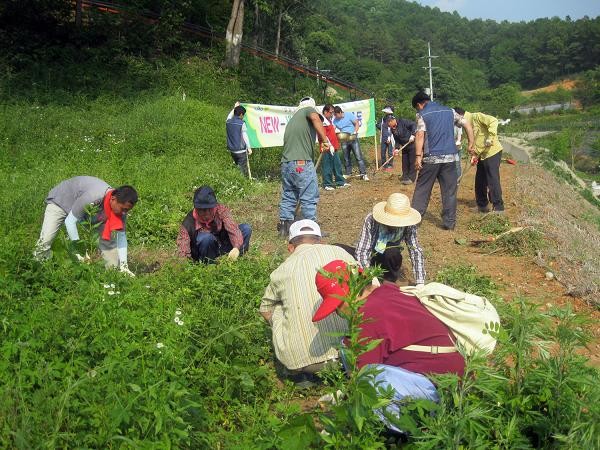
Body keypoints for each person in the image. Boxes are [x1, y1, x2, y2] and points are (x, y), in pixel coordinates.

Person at [313, 260, 465, 429]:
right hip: (454, 380)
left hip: (437, 390)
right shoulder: (387, 292)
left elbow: (362, 378)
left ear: (350, 294)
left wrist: (343, 403)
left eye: (337, 305)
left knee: (369, 380)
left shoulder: (367, 315)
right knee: (348, 346)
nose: (337, 312)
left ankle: (411, 429)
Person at [259, 219, 357, 386]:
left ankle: (299, 369)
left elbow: (264, 310)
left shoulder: (280, 271)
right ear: (320, 241)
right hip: (353, 353)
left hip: (307, 364)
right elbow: (370, 286)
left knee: (276, 307)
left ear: (290, 247)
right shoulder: (340, 252)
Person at [34, 176, 138, 275]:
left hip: (88, 209)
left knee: (108, 243)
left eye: (127, 210)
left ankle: (112, 275)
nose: (125, 213)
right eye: (123, 209)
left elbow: (121, 236)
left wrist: (124, 266)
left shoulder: (121, 210)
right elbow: (70, 221)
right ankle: (39, 272)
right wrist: (81, 252)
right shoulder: (94, 196)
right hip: (62, 201)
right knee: (45, 240)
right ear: (113, 199)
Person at [410, 92, 474, 231]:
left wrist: (418, 156)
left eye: (417, 108)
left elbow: (420, 134)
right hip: (450, 157)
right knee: (449, 191)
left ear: (420, 104)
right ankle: (449, 223)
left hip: (431, 158)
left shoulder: (422, 114)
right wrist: (470, 144)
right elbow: (467, 125)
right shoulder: (450, 111)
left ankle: (414, 222)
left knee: (423, 189)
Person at [336, 193, 425, 285]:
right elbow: (362, 251)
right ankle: (370, 277)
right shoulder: (371, 220)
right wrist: (370, 276)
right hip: (370, 255)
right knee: (337, 247)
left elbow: (415, 251)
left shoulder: (409, 225)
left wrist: (420, 282)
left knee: (391, 251)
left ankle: (388, 281)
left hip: (388, 259)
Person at [277, 97, 330, 238]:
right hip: (301, 162)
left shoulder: (294, 118)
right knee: (309, 195)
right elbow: (315, 118)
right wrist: (325, 140)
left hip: (286, 163)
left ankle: (285, 227)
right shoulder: (309, 110)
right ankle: (311, 229)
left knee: (289, 194)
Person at [176, 185, 251, 263]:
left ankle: (236, 259)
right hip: (203, 252)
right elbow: (183, 250)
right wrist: (186, 265)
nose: (207, 213)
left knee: (246, 229)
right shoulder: (188, 223)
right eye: (203, 210)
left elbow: (233, 229)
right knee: (206, 238)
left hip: (222, 244)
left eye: (209, 209)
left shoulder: (221, 210)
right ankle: (209, 266)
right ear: (196, 208)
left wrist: (236, 248)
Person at [454, 107, 505, 213]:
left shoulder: (476, 116)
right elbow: (476, 140)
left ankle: (498, 208)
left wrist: (490, 138)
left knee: (492, 179)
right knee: (480, 180)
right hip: (481, 154)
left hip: (492, 152)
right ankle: (482, 206)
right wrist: (474, 155)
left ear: (460, 115)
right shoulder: (466, 125)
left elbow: (493, 121)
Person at [333, 105, 369, 181]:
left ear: (340, 112)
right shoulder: (335, 120)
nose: (335, 116)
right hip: (344, 140)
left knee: (359, 157)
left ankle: (363, 174)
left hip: (353, 138)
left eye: (336, 114)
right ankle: (348, 174)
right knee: (346, 158)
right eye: (334, 115)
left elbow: (356, 123)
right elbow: (333, 129)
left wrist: (355, 132)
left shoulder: (349, 115)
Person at [321, 104, 351, 191]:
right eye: (331, 112)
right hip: (327, 147)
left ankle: (340, 182)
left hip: (334, 147)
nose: (332, 114)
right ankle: (327, 183)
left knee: (337, 165)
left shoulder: (329, 121)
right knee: (327, 165)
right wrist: (329, 145)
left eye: (333, 112)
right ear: (325, 112)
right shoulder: (323, 122)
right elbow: (323, 135)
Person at [226, 102, 252, 177]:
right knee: (241, 170)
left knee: (237, 167)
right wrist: (249, 148)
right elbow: (245, 136)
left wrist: (234, 108)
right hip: (241, 151)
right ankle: (240, 183)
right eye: (243, 115)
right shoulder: (241, 123)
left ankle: (236, 180)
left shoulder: (228, 122)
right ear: (241, 114)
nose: (243, 117)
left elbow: (229, 116)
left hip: (232, 150)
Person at [391, 117, 417, 184]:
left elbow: (414, 124)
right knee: (404, 162)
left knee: (412, 161)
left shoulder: (403, 121)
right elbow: (396, 140)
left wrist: (413, 135)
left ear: (393, 120)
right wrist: (396, 148)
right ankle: (405, 176)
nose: (389, 126)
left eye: (389, 123)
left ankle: (411, 178)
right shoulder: (392, 128)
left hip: (412, 144)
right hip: (404, 146)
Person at [379, 106, 395, 172]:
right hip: (383, 137)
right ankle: (384, 164)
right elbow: (382, 127)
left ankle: (390, 165)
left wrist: (389, 137)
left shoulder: (393, 118)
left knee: (390, 152)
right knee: (382, 152)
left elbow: (391, 128)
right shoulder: (383, 118)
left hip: (390, 138)